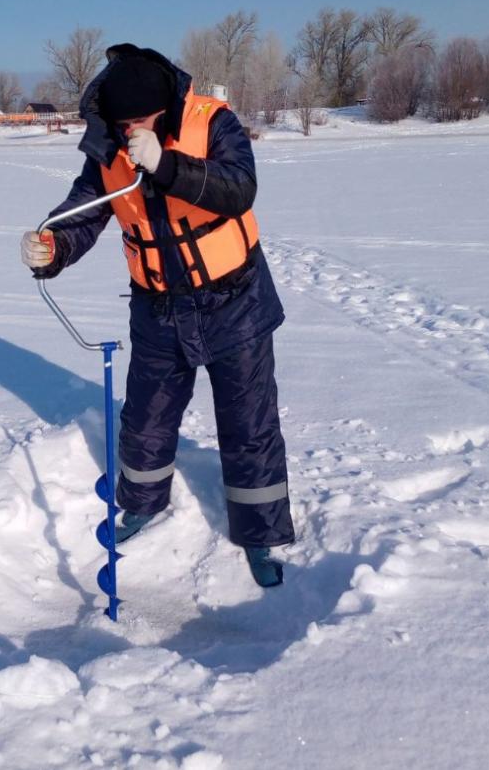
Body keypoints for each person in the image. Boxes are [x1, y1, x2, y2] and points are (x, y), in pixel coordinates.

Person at [21, 44, 295, 587]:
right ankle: (143, 505)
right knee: (146, 418)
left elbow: (239, 188)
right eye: (122, 123)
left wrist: (165, 163)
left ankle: (259, 534)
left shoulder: (213, 123)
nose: (129, 132)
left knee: (249, 425)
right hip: (158, 306)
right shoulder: (107, 148)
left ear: (162, 108)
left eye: (139, 122)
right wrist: (53, 246)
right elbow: (84, 210)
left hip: (234, 299)